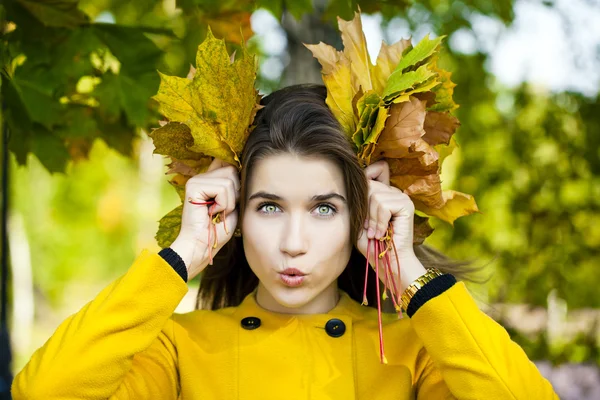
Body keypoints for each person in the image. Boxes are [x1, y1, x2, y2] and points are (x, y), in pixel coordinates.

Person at [12, 85, 558, 399]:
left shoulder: (416, 351)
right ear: (235, 215)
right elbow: (42, 393)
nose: (293, 243)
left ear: (362, 217)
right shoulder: (178, 347)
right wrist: (181, 257)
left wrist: (408, 271)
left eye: (325, 208)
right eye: (269, 206)